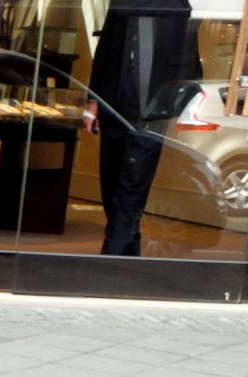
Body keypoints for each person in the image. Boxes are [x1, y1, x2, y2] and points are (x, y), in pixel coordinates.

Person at [82, 0, 201, 256]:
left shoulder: (178, 5)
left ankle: (110, 258)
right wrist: (93, 101)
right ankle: (128, 256)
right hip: (115, 103)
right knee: (112, 180)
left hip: (152, 110)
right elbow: (106, 48)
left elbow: (189, 58)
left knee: (132, 185)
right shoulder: (123, 2)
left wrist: (183, 106)